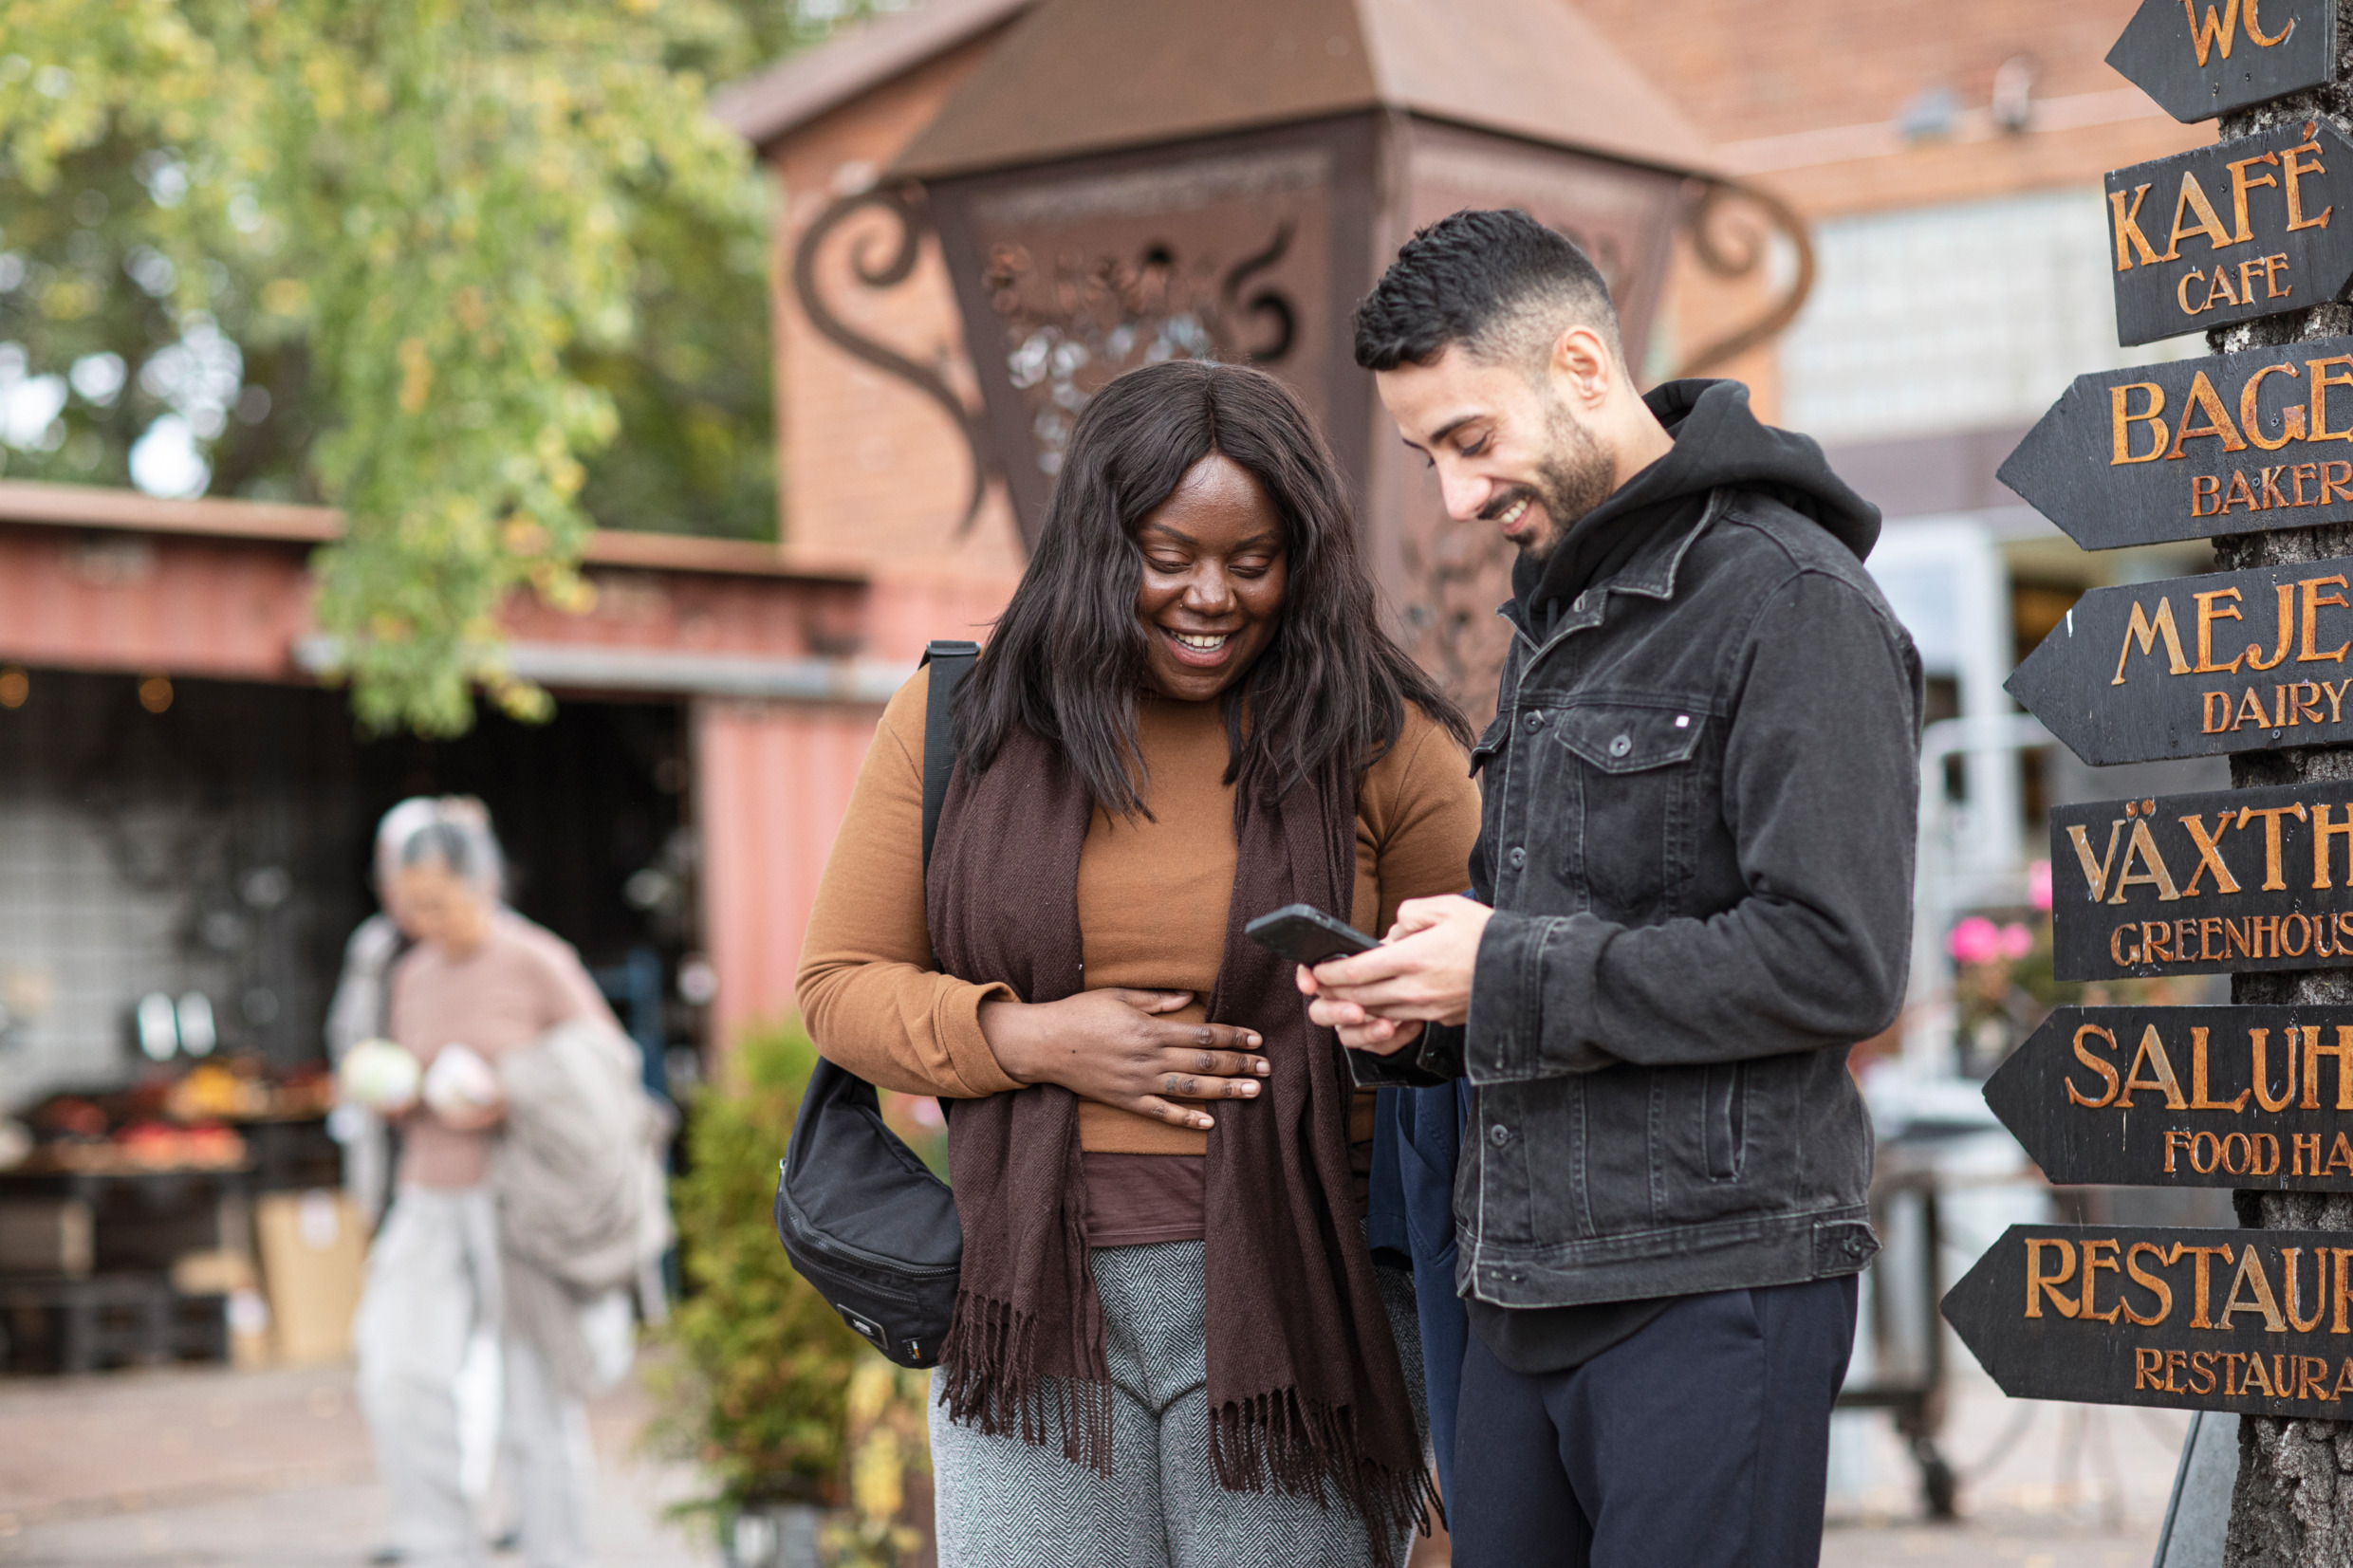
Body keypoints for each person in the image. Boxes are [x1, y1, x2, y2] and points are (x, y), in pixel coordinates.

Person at [1306, 209, 1921, 1567]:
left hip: (1713, 1291)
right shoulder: (1559, 619)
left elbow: (1836, 959)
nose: (1457, 498)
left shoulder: (1792, 599)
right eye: (1429, 460)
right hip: (1522, 1291)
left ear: (1583, 366)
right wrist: (1429, 1010)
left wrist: (1504, 967)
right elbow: (1568, 942)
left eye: (1469, 442)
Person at [796, 359, 1482, 1568]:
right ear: (1095, 546)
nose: (1209, 595)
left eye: (1252, 560)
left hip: (1305, 1309)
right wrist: (1040, 1038)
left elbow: (1481, 993)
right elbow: (839, 988)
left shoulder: (1379, 738)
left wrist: (1396, 1009)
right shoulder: (962, 724)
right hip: (1029, 1304)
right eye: (1167, 556)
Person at [352, 802, 631, 1568]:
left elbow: (608, 1067)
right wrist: (399, 1091)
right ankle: (436, 1542)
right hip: (426, 1195)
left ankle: (558, 1551)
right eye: (411, 904)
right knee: (396, 1367)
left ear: (482, 882)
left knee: (534, 1401)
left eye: (437, 901)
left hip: (518, 1206)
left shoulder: (537, 959)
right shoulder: (407, 970)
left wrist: (509, 1089)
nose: (423, 919)